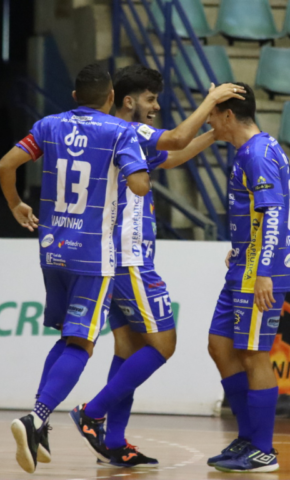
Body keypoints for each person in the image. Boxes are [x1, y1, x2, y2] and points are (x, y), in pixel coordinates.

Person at [69, 65, 245, 467]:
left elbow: (172, 155)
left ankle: (113, 442)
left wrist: (212, 134)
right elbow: (176, 137)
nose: (156, 106)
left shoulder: (114, 135)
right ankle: (91, 412)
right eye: (150, 99)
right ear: (128, 101)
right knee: (163, 346)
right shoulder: (127, 131)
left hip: (107, 259)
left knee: (128, 349)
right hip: (129, 259)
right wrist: (211, 103)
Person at [0, 63, 151, 474]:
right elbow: (139, 186)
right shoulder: (119, 131)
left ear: (73, 97)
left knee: (67, 336)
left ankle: (39, 423)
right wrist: (139, 170)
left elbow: (4, 165)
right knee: (82, 344)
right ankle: (35, 419)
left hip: (52, 249)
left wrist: (16, 205)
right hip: (94, 256)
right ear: (112, 100)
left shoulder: (48, 125)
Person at [205, 82, 290, 473]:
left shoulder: (256, 153)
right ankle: (247, 437)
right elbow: (262, 213)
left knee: (254, 354)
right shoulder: (254, 149)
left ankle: (263, 450)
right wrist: (243, 245)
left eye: (211, 113)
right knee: (220, 346)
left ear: (228, 116)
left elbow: (274, 212)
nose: (207, 120)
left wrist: (262, 272)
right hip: (244, 263)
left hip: (260, 272)